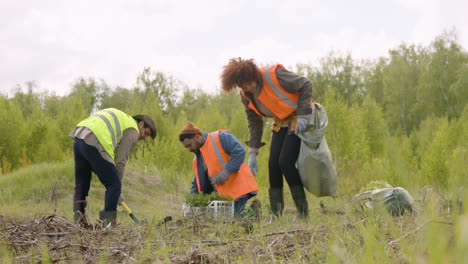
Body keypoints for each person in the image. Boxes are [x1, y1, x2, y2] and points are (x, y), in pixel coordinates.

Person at [220, 58, 313, 218]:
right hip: (280, 122)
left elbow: (306, 84)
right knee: (273, 164)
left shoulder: (274, 75)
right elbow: (254, 121)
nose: (249, 87)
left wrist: (304, 114)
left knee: (285, 161)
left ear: (253, 74)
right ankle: (276, 214)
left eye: (249, 83)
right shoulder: (246, 95)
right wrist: (253, 153)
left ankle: (303, 213)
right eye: (243, 86)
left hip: (300, 118)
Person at [69, 108, 157, 226]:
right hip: (95, 139)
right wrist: (117, 189)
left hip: (80, 136)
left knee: (82, 184)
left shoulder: (124, 121)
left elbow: (108, 162)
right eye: (146, 133)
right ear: (141, 124)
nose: (144, 137)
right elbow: (121, 161)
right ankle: (108, 225)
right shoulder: (133, 129)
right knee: (114, 184)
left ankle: (79, 222)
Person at [179, 122, 259, 216]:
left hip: (239, 187)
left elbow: (239, 151)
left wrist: (227, 171)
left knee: (237, 218)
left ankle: (255, 210)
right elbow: (197, 181)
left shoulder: (220, 137)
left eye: (189, 145)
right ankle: (254, 209)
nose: (189, 149)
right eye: (186, 147)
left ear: (196, 137)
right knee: (227, 220)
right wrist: (191, 199)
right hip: (224, 196)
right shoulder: (197, 159)